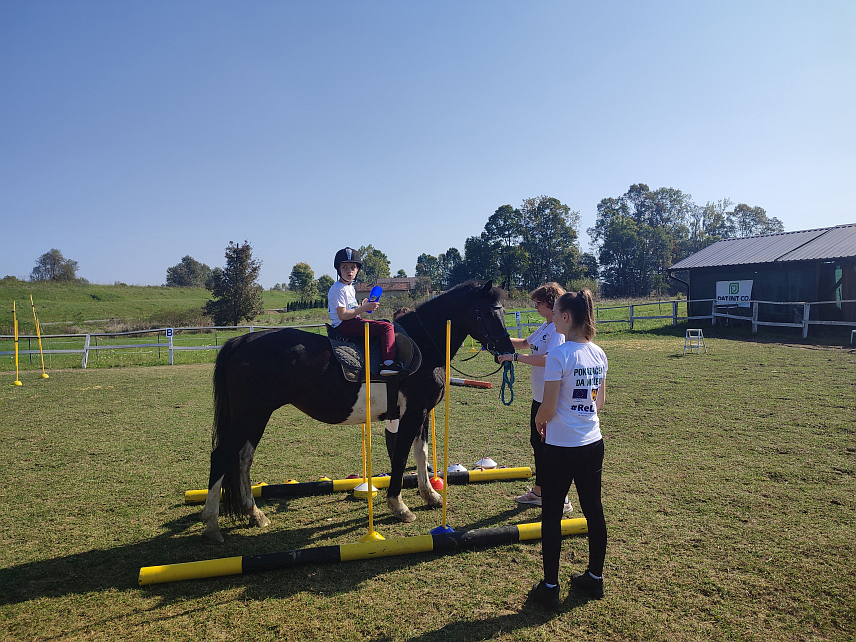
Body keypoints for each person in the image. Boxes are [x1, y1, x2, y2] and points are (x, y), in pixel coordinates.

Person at [529, 289, 608, 609]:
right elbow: (599, 402)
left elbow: (546, 407)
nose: (552, 319)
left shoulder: (559, 356)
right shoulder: (599, 353)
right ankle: (595, 578)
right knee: (594, 511)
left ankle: (549, 587)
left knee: (551, 516)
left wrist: (539, 421)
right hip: (592, 443)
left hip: (561, 447)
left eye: (555, 313)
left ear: (565, 317)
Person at [497, 283, 572, 513]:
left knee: (550, 446)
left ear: (551, 304)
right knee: (537, 443)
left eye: (538, 303)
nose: (535, 306)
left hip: (551, 397)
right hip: (538, 395)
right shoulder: (545, 326)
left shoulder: (557, 332)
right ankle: (539, 492)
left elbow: (550, 359)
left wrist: (516, 358)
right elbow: (524, 343)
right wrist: (495, 338)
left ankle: (562, 497)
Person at [328, 247, 401, 376]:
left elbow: (352, 310)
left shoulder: (349, 287)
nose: (349, 271)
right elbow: (343, 315)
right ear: (338, 269)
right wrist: (364, 308)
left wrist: (363, 306)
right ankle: (389, 363)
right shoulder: (338, 289)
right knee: (387, 327)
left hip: (351, 321)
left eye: (352, 267)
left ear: (357, 269)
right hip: (343, 325)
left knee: (383, 323)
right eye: (344, 267)